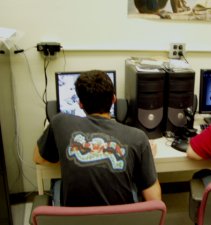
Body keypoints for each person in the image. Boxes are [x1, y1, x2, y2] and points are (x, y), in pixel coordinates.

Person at [33, 70, 161, 206]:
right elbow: (155, 202)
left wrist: (71, 156)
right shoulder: (138, 138)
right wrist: (145, 160)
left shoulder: (60, 122)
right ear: (114, 99)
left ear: (80, 104)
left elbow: (37, 158)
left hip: (75, 220)